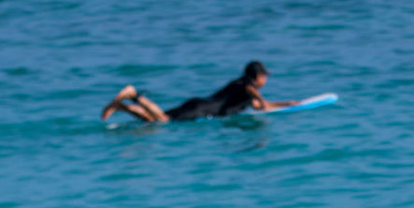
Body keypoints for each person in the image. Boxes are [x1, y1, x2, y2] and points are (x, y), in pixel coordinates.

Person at [101, 61, 303, 123]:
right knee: (163, 120)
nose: (265, 80)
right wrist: (263, 99)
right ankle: (134, 94)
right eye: (264, 76)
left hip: (198, 104)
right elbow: (255, 95)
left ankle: (121, 106)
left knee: (152, 120)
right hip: (200, 110)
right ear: (256, 77)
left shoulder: (241, 90)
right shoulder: (246, 87)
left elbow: (260, 106)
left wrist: (287, 103)